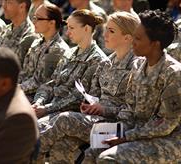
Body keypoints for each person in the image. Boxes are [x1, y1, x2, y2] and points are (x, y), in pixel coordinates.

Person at [84, 10, 181, 163]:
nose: (132, 42)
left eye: (138, 38)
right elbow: (129, 108)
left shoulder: (174, 74)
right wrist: (114, 127)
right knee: (93, 149)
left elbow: (166, 124)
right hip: (139, 130)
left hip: (172, 140)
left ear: (155, 44)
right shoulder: (138, 65)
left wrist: (126, 137)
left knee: (109, 158)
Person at [37, 11, 139, 163]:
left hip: (120, 128)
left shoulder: (137, 67)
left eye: (111, 31)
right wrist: (91, 106)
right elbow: (93, 94)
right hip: (97, 120)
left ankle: (22, 152)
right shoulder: (106, 64)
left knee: (64, 120)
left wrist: (104, 109)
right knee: (63, 145)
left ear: (127, 37)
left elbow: (133, 111)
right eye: (106, 29)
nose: (105, 35)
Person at [32, 9, 109, 119]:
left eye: (71, 28)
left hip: (66, 115)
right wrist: (38, 102)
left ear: (86, 29)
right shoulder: (70, 53)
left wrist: (46, 109)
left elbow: (78, 98)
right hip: (49, 108)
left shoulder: (96, 60)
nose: (67, 33)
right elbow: (51, 83)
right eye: (67, 28)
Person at [19, 3, 69, 101]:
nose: (34, 22)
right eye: (34, 18)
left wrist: (16, 89)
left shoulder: (57, 49)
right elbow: (25, 73)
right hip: (24, 92)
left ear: (51, 23)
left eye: (39, 19)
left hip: (38, 99)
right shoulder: (37, 43)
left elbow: (41, 82)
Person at [0, 0, 39, 66]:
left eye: (9, 2)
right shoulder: (7, 29)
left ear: (22, 7)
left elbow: (27, 73)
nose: (3, 6)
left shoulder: (31, 36)